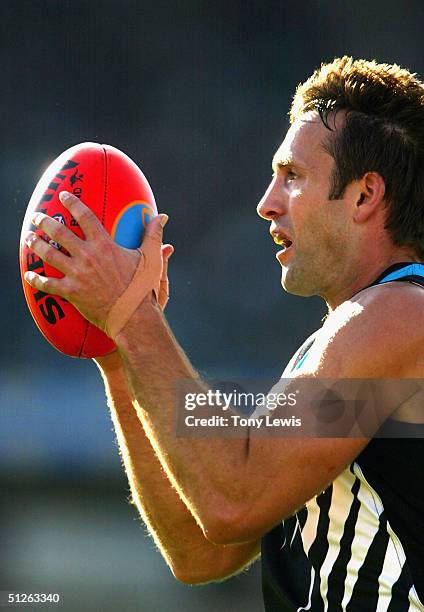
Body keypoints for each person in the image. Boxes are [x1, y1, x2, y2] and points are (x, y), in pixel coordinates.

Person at [23, 56, 424, 610]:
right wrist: (121, 354)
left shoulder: (399, 318)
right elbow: (203, 550)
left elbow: (232, 499)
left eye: (293, 177)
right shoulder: (364, 333)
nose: (267, 203)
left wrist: (134, 317)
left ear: (364, 195)